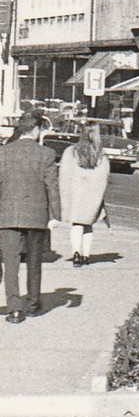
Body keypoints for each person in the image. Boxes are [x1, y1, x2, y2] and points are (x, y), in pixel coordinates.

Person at [0, 111, 61, 322]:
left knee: (11, 262)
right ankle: (33, 304)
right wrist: (55, 215)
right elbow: (52, 187)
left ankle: (15, 308)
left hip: (7, 215)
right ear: (36, 129)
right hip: (37, 215)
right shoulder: (47, 154)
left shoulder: (3, 153)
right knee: (34, 260)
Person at [60, 123, 109, 268]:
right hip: (93, 194)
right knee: (88, 224)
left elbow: (64, 173)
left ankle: (76, 253)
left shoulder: (71, 151)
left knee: (76, 223)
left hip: (76, 193)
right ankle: (86, 255)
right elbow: (104, 175)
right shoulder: (101, 153)